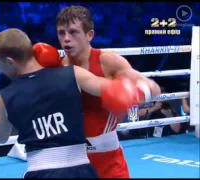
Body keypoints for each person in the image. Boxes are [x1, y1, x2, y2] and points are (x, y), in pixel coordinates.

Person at [0, 28, 152, 178]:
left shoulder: (5, 96)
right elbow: (115, 91)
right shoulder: (73, 74)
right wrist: (143, 88)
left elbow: (0, 137)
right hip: (82, 170)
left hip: (41, 171)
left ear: (9, 62)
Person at [55, 5, 161, 178]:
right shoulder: (55, 66)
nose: (66, 39)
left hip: (107, 160)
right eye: (61, 33)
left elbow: (153, 87)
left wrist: (132, 94)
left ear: (90, 35)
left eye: (73, 32)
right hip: (67, 158)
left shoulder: (107, 62)